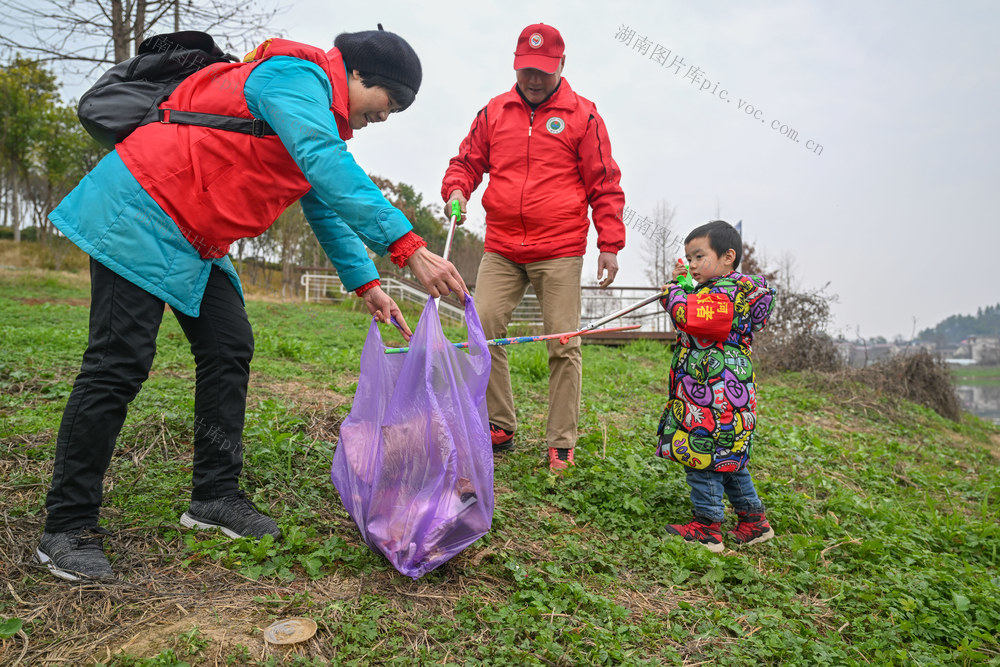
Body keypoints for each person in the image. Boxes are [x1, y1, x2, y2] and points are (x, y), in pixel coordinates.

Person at [36, 26, 468, 582]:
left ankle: (214, 495)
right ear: (358, 74)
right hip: (142, 208)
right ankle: (65, 526)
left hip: (196, 238)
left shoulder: (319, 117)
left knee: (229, 346)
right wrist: (409, 248)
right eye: (392, 101)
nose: (388, 115)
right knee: (118, 362)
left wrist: (368, 285)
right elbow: (323, 164)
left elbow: (324, 204)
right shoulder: (294, 76)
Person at [441, 23, 625, 471]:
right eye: (527, 70)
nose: (534, 79)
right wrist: (456, 190)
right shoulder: (494, 112)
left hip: (559, 247)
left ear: (562, 65)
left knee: (563, 343)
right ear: (516, 65)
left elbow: (604, 182)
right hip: (502, 245)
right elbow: (466, 162)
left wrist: (610, 243)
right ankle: (499, 423)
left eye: (543, 70)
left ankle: (561, 442)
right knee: (482, 328)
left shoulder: (584, 116)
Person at [657, 220, 775, 552]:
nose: (692, 264)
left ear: (727, 257)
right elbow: (696, 308)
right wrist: (684, 286)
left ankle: (707, 527)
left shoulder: (723, 291)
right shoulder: (729, 290)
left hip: (713, 392)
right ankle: (754, 521)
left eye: (699, 257)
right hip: (728, 391)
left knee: (703, 453)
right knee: (729, 458)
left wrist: (673, 295)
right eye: (689, 258)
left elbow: (692, 318)